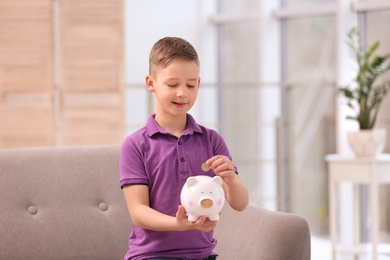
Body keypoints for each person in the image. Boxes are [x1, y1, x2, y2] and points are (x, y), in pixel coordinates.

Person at [120, 37, 249, 260]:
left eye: (190, 85)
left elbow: (239, 204)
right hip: (150, 256)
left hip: (202, 255)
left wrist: (231, 180)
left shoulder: (212, 140)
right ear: (151, 83)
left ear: (198, 84)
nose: (183, 93)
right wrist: (179, 225)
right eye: (172, 85)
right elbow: (138, 211)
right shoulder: (135, 145)